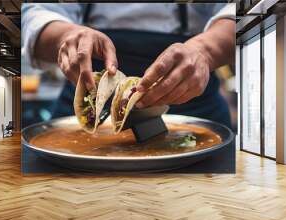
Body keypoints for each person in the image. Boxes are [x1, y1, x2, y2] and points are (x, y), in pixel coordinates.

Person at [22, 3, 235, 127]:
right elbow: (34, 12)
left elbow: (246, 10)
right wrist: (65, 36)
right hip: (89, 91)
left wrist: (204, 50)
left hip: (192, 104)